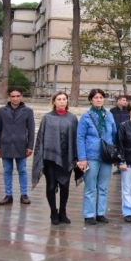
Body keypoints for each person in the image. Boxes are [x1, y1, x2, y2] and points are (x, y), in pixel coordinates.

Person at [31, 91, 78, 224]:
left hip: (67, 157)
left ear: (67, 101)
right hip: (50, 158)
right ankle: (53, 212)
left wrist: (76, 156)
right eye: (59, 99)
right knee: (51, 185)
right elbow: (41, 138)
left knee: (65, 186)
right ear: (54, 102)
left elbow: (76, 139)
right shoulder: (47, 118)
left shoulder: (72, 118)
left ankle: (62, 212)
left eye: (64, 99)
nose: (62, 101)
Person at [77, 89, 118, 225]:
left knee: (103, 187)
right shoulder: (86, 116)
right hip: (91, 156)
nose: (99, 100)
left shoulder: (109, 115)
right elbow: (80, 137)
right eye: (96, 98)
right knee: (90, 186)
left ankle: (100, 213)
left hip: (106, 156)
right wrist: (82, 158)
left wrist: (113, 152)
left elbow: (114, 134)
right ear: (90, 100)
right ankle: (89, 214)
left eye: (101, 97)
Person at [0, 86, 35, 206]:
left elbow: (31, 130)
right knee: (7, 170)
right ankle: (8, 195)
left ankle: (24, 194)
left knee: (22, 170)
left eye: (18, 96)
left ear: (21, 96)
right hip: (5, 145)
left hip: (21, 145)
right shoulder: (1, 111)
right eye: (13, 96)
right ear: (9, 97)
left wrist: (30, 146)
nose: (15, 98)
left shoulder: (28, 111)